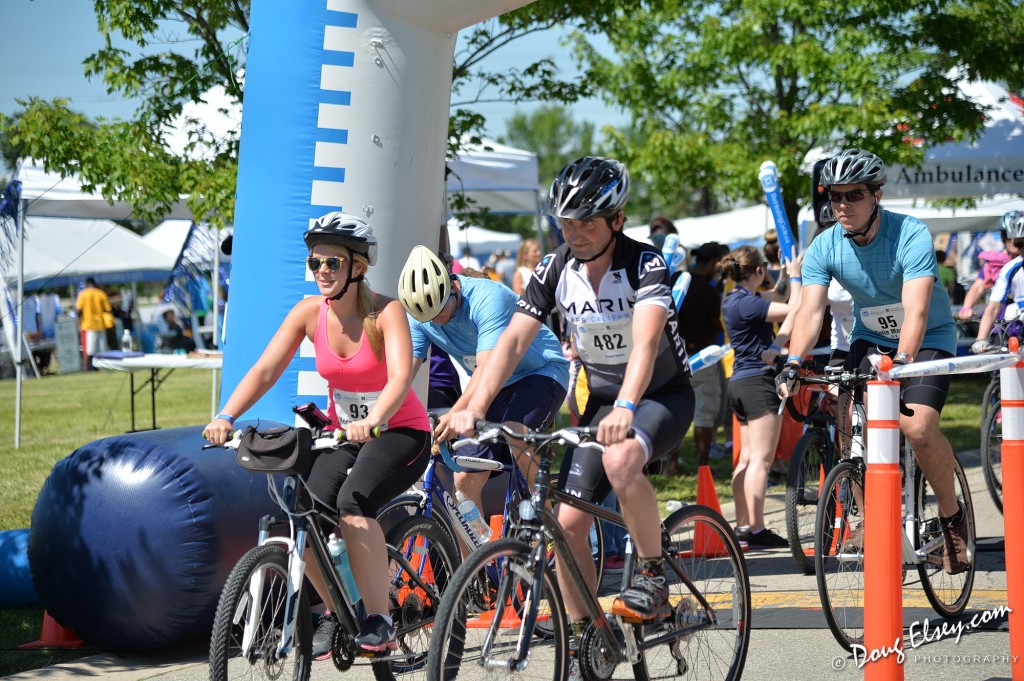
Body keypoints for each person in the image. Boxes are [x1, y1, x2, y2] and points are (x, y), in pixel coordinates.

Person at [449, 157, 695, 643]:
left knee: (623, 460)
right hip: (605, 403)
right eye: (565, 220)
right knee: (565, 525)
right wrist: (474, 407)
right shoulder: (554, 268)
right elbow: (513, 343)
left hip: (660, 395)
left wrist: (627, 407)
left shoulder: (644, 264)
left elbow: (645, 344)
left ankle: (651, 576)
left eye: (586, 220)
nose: (574, 231)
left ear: (617, 220)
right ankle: (588, 634)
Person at [202, 212, 431, 656]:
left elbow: (400, 377)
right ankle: (336, 610)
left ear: (358, 267)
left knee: (353, 501)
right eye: (315, 263)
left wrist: (375, 418)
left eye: (332, 263)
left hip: (400, 431)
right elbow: (266, 370)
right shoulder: (309, 314)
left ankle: (380, 620)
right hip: (343, 433)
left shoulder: (387, 312)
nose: (322, 272)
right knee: (303, 509)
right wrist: (226, 415)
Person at [777, 148, 971, 575]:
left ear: (877, 195)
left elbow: (916, 310)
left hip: (927, 338)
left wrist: (899, 363)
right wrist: (793, 361)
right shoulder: (825, 244)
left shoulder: (910, 234)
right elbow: (810, 312)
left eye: (854, 195)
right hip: (869, 337)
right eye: (834, 196)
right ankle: (867, 519)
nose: (842, 205)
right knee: (850, 424)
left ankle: (952, 518)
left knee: (918, 427)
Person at [397, 245, 569, 550]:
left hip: (539, 372)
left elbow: (488, 368)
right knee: (464, 481)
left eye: (441, 310)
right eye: (428, 317)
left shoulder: (489, 297)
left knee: (515, 430)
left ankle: (549, 520)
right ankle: (478, 567)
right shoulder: (420, 317)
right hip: (492, 387)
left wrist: (455, 413)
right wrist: (382, 417)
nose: (438, 322)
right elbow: (403, 378)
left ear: (452, 285)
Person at [718, 245, 802, 548]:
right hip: (757, 383)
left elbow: (779, 296)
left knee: (746, 460)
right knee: (761, 462)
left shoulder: (735, 300)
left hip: (739, 382)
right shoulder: (750, 305)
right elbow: (796, 307)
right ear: (758, 271)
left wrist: (786, 272)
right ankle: (756, 528)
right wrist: (797, 278)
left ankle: (743, 525)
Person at [675, 241, 730, 472]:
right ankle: (702, 465)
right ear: (714, 263)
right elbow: (720, 322)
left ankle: (671, 463)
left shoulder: (677, 281)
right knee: (705, 414)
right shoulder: (707, 290)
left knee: (675, 412)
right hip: (704, 358)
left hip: (676, 357)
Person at [971, 213, 1024, 354]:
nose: (1020, 249)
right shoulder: (1010, 268)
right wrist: (980, 339)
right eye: (1018, 243)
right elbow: (993, 308)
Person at [957, 214, 1021, 320]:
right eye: (1008, 236)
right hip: (1000, 313)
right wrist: (966, 308)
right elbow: (978, 287)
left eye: (1018, 237)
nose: (1012, 241)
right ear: (1003, 237)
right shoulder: (994, 261)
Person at [75, 277, 112, 371]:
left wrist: (78, 324)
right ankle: (104, 368)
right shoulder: (101, 293)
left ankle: (85, 369)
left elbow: (78, 310)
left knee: (88, 350)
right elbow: (108, 309)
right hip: (100, 324)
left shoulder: (83, 294)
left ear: (87, 284)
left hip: (88, 325)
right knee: (102, 350)